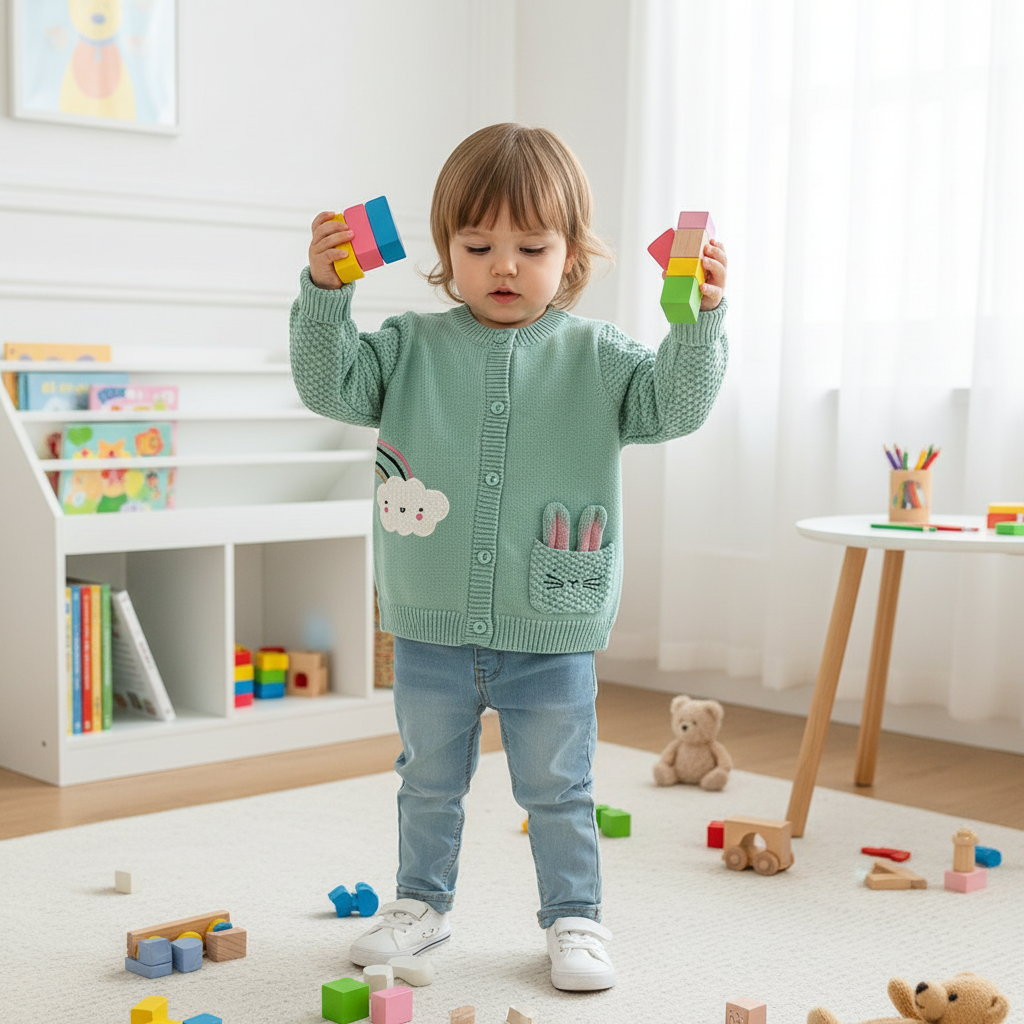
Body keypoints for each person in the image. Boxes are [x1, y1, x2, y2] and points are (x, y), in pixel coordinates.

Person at [289, 122, 728, 991]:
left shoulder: (597, 357)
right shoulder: (409, 347)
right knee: (425, 782)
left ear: (570, 256)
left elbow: (675, 405)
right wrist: (321, 293)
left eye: (531, 246)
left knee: (559, 790)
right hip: (429, 624)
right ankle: (420, 905)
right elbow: (325, 383)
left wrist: (701, 320)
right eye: (477, 244)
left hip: (551, 626)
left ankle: (575, 918)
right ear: (445, 248)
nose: (502, 265)